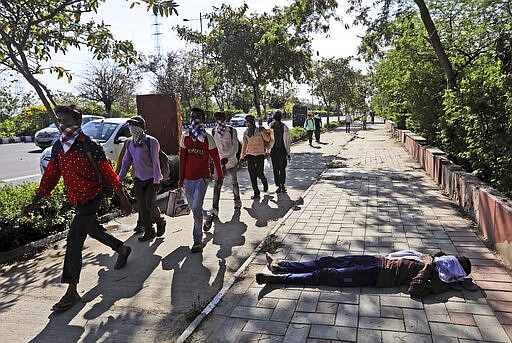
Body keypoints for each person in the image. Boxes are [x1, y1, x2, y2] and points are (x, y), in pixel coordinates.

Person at [22, 104, 133, 312]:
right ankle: (122, 248)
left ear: (77, 122)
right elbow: (51, 176)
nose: (61, 125)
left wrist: (123, 199)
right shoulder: (59, 147)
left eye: (65, 121)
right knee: (92, 229)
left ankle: (71, 290)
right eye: (59, 121)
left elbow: (109, 173)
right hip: (76, 198)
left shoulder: (89, 146)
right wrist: (35, 199)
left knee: (74, 239)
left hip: (93, 196)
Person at [256, 250, 476, 297]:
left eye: (451, 264)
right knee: (327, 261)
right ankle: (282, 265)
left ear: (455, 273)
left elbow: (415, 290)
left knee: (326, 274)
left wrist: (428, 268)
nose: (444, 263)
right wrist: (435, 258)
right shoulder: (439, 264)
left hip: (376, 275)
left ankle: (278, 279)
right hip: (376, 259)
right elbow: (436, 255)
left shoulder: (440, 281)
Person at [179, 107, 224, 253]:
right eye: (192, 117)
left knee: (196, 208)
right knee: (194, 208)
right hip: (188, 179)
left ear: (203, 120)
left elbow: (216, 160)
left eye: (198, 117)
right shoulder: (185, 138)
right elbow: (182, 160)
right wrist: (181, 180)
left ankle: (197, 240)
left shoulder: (207, 139)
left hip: (202, 178)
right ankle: (209, 216)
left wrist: (220, 177)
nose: (195, 120)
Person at [117, 116, 166, 242]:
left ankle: (160, 221)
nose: (132, 129)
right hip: (138, 179)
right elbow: (126, 162)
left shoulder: (151, 142)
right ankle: (149, 231)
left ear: (143, 128)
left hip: (151, 179)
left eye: (135, 126)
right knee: (142, 207)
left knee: (149, 204)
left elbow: (156, 162)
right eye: (131, 126)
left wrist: (156, 181)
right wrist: (119, 178)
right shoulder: (130, 143)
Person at [210, 110, 242, 215]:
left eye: (221, 117)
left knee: (234, 183)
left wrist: (227, 157)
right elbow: (213, 147)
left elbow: (236, 147)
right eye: (217, 117)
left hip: (231, 162)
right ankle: (215, 208)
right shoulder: (213, 131)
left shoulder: (232, 131)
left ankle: (237, 201)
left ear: (225, 118)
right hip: (219, 163)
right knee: (217, 185)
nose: (219, 119)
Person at [241, 114, 271, 199]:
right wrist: (242, 157)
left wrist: (263, 132)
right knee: (252, 175)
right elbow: (244, 145)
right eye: (247, 121)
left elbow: (268, 139)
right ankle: (256, 193)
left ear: (254, 121)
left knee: (259, 173)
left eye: (250, 120)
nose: (249, 122)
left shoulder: (260, 130)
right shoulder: (246, 132)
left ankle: (264, 181)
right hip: (250, 155)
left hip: (260, 155)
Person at [269, 109, 291, 193]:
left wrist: (288, 153)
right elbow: (268, 139)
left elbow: (287, 141)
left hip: (282, 151)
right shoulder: (271, 126)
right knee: (275, 169)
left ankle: (282, 185)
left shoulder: (284, 127)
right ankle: (279, 185)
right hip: (274, 151)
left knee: (282, 169)